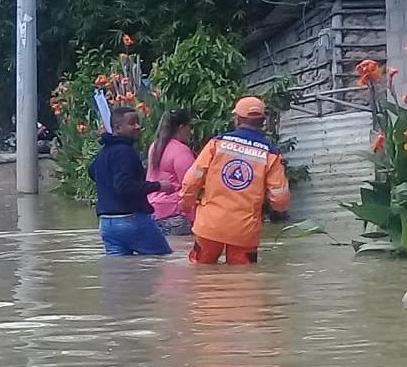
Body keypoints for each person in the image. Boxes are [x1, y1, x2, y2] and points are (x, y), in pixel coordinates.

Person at [179, 96, 291, 265]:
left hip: (210, 225)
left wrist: (186, 203)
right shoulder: (271, 154)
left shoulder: (216, 144)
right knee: (243, 280)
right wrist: (276, 210)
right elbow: (280, 199)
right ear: (263, 121)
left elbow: (192, 179)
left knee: (200, 274)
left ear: (237, 119)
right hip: (244, 230)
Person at [88, 106, 178, 256]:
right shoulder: (125, 152)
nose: (138, 127)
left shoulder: (103, 153)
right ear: (117, 128)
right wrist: (159, 185)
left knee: (121, 273)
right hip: (130, 219)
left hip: (107, 224)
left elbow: (92, 172)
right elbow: (124, 187)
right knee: (162, 263)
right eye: (132, 123)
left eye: (138, 122)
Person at [146, 110, 196, 236]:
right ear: (182, 127)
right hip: (176, 215)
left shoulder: (155, 146)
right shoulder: (181, 151)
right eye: (190, 127)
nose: (191, 132)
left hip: (153, 213)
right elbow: (191, 186)